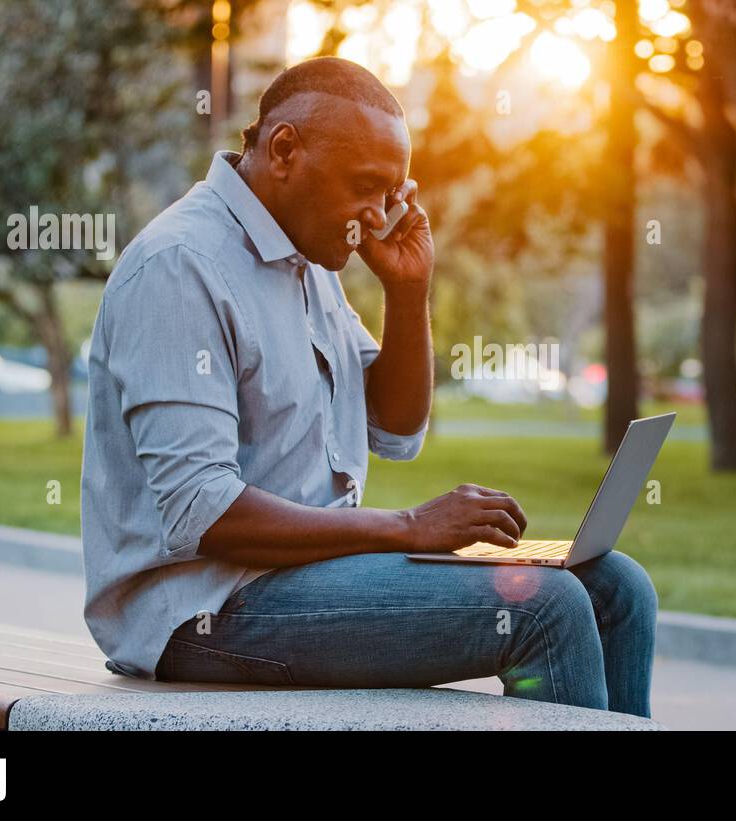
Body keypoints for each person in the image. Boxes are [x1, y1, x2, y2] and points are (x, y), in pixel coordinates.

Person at [79, 56, 657, 717]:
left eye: (393, 193)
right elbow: (200, 510)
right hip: (201, 610)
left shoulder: (308, 257)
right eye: (367, 187)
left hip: (308, 579)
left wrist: (407, 292)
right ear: (285, 150)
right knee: (541, 605)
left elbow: (395, 426)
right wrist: (409, 526)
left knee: (617, 586)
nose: (380, 215)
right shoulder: (181, 267)